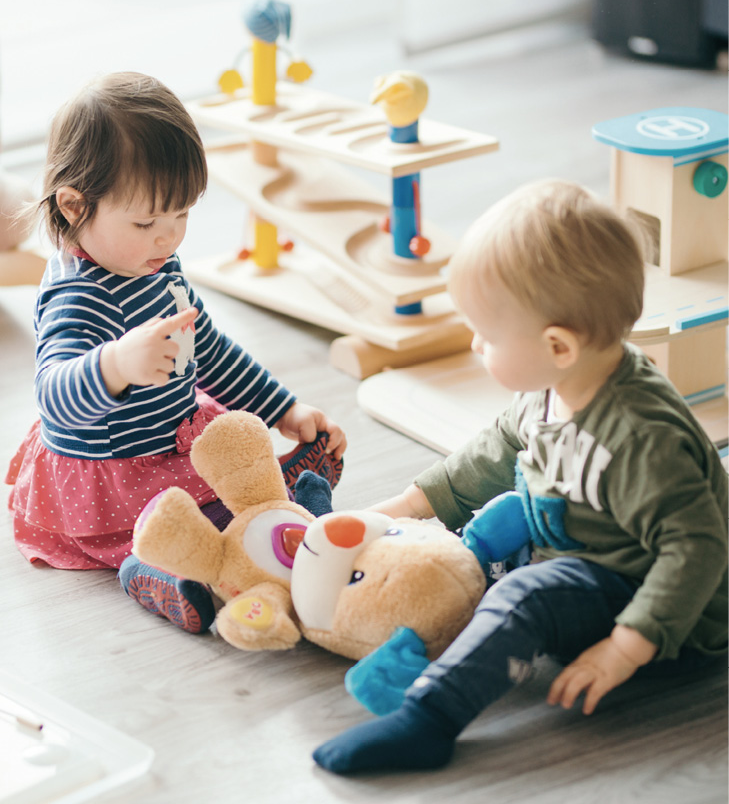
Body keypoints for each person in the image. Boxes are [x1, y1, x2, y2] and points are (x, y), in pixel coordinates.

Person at [312, 178, 728, 775]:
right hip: (580, 552)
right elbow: (490, 453)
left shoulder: (641, 438)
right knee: (469, 548)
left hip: (664, 614)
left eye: (486, 334)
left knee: (520, 596)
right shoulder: (553, 389)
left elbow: (697, 549)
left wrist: (624, 648)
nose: (475, 343)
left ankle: (430, 719)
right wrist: (392, 514)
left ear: (558, 346)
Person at [5, 71, 346, 634]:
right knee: (172, 529)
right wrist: (116, 365)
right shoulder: (77, 296)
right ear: (73, 206)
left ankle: (283, 501)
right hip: (112, 474)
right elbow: (54, 396)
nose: (169, 239)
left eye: (182, 215)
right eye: (146, 221)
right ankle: (155, 573)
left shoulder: (155, 264)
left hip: (172, 437)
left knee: (232, 469)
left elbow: (207, 350)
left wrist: (284, 410)